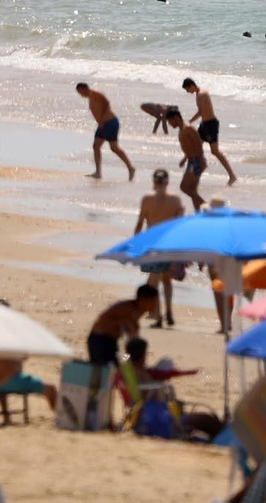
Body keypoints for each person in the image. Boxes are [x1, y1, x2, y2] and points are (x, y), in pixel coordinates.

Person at [133, 171, 184, 326]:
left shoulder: (147, 198)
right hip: (169, 244)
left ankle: (158, 315)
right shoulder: (175, 199)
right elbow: (180, 225)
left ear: (154, 181)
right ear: (167, 182)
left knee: (154, 280)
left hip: (153, 244)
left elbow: (140, 223)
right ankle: (168, 310)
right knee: (167, 280)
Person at [183, 78, 238, 184]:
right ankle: (195, 173)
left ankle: (232, 175)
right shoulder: (197, 94)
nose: (187, 92)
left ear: (191, 86)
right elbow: (201, 112)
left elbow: (201, 111)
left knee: (215, 151)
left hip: (211, 125)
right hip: (204, 125)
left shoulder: (203, 94)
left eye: (187, 89)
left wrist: (189, 122)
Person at [76, 82, 134, 180]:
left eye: (80, 92)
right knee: (96, 146)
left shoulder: (96, 93)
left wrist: (102, 120)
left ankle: (130, 168)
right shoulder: (90, 97)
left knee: (114, 148)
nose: (80, 95)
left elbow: (107, 104)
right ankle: (98, 172)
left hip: (110, 123)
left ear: (84, 88)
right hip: (103, 125)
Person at [87, 285, 159, 364]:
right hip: (98, 339)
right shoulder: (126, 308)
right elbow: (103, 319)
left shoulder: (139, 310)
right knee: (101, 368)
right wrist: (123, 321)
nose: (155, 304)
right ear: (142, 300)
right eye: (153, 301)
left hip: (111, 340)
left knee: (112, 368)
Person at [173, 111, 207, 211]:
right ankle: (198, 214)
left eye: (170, 121)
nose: (170, 124)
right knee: (193, 190)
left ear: (176, 117)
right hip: (191, 160)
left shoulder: (188, 128)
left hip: (196, 161)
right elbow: (189, 147)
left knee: (184, 187)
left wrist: (201, 161)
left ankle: (208, 207)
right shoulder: (182, 129)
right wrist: (184, 159)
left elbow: (198, 144)